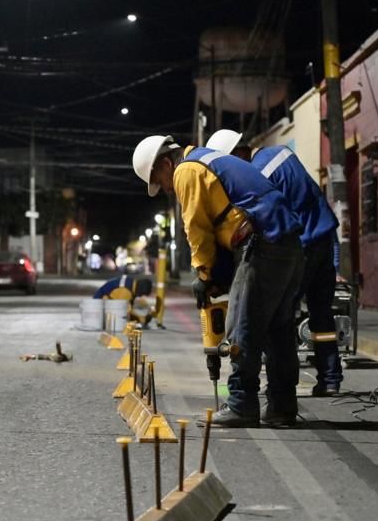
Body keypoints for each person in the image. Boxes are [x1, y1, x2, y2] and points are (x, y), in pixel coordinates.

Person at [132, 134, 304, 427]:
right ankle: (282, 407)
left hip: (261, 245)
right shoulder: (209, 159)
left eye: (161, 181)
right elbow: (227, 215)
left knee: (242, 327)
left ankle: (241, 405)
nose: (166, 190)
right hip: (287, 244)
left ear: (165, 163)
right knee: (279, 331)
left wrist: (203, 274)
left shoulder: (187, 169)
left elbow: (196, 229)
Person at [206, 129, 345, 396]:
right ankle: (330, 379)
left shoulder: (259, 174)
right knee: (322, 315)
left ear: (238, 154)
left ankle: (278, 391)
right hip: (324, 240)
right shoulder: (282, 153)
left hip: (299, 247)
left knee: (278, 317)